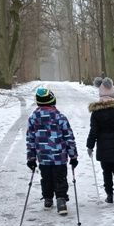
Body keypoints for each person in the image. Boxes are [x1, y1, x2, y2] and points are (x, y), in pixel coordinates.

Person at [25, 87, 78, 215]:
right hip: (59, 156)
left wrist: (31, 158)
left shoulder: (33, 118)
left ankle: (48, 199)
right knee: (60, 178)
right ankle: (61, 200)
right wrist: (73, 156)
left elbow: (30, 139)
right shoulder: (60, 117)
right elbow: (68, 137)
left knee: (46, 178)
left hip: (43, 156)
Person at [87, 77, 114, 203]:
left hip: (103, 145)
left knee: (106, 171)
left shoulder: (96, 112)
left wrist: (90, 145)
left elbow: (93, 130)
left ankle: (109, 194)